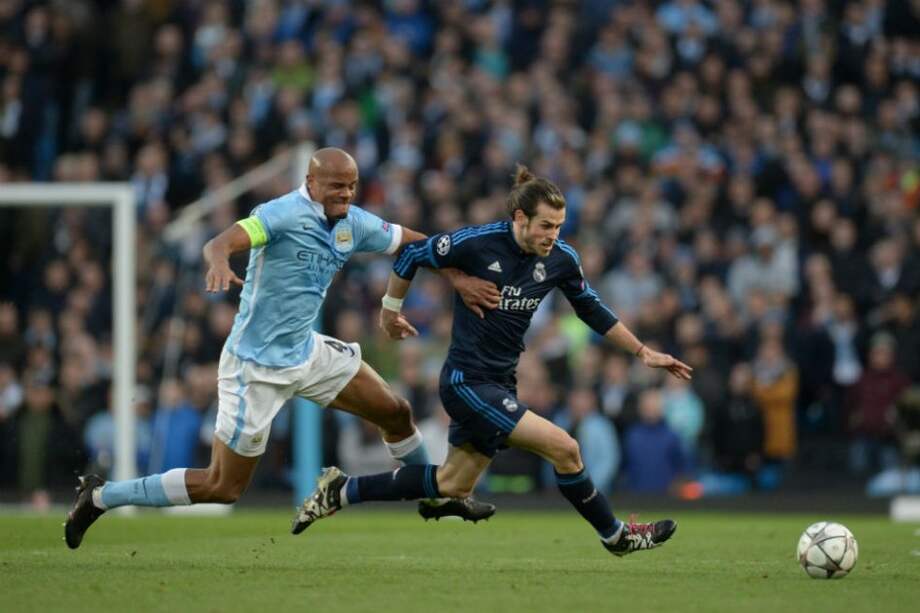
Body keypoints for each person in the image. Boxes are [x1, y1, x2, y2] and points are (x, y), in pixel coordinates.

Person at [64, 148, 500, 549]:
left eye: (350, 185)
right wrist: (218, 260)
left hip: (306, 352)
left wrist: (457, 277)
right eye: (335, 185)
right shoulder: (280, 214)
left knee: (395, 412)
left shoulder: (354, 223)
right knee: (223, 486)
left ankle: (434, 496)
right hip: (254, 367)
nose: (344, 193)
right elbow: (221, 241)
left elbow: (416, 243)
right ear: (311, 182)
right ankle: (102, 496)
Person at [292, 165, 693, 557]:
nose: (554, 236)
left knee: (451, 484)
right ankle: (616, 535)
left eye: (559, 226)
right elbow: (411, 255)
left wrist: (642, 351)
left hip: (500, 382)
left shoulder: (562, 259)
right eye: (546, 225)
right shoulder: (478, 243)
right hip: (466, 382)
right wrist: (389, 311)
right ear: (520, 217)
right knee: (565, 448)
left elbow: (592, 309)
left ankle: (341, 491)